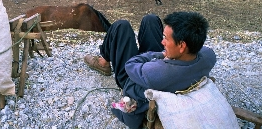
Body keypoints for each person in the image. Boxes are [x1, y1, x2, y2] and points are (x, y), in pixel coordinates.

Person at [84, 12, 216, 129]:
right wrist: (167, 53)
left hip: (136, 75)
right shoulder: (208, 57)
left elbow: (130, 65)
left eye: (166, 38)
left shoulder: (155, 74)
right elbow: (204, 51)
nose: (162, 41)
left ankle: (103, 61)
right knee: (151, 19)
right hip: (159, 66)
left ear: (182, 46)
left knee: (120, 26)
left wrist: (160, 54)